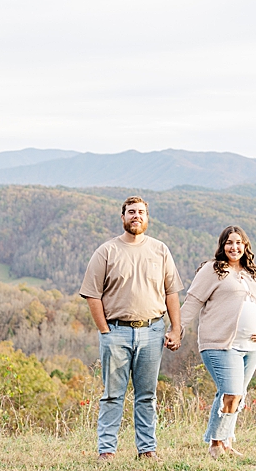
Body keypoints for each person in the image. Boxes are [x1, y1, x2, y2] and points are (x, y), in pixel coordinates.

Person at [79, 196, 183, 462]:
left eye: (141, 212)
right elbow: (92, 294)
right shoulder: (107, 251)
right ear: (122, 216)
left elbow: (171, 292)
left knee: (147, 396)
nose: (136, 216)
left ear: (147, 218)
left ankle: (147, 450)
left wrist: (175, 328)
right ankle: (107, 451)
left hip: (152, 331)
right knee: (112, 395)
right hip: (116, 332)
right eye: (131, 212)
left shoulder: (160, 250)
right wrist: (104, 330)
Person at [180, 225, 256, 459]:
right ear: (222, 246)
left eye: (238, 243)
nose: (234, 247)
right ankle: (215, 443)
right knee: (232, 391)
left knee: (237, 394)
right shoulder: (212, 270)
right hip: (221, 344)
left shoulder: (254, 273)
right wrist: (177, 329)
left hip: (253, 346)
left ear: (245, 246)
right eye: (229, 242)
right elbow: (193, 301)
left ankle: (226, 441)